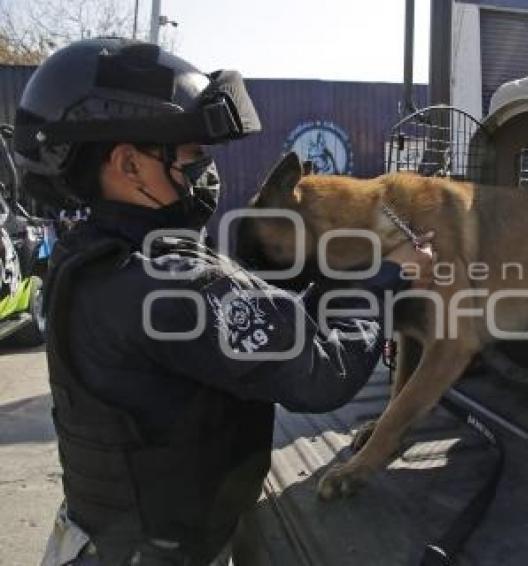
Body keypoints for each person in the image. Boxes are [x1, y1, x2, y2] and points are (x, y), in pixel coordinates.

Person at [13, 38, 434, 566]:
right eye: (191, 156)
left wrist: (353, 280)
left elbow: (266, 319)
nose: (206, 171)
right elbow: (323, 370)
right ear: (129, 164)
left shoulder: (96, 257)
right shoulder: (166, 285)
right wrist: (392, 279)